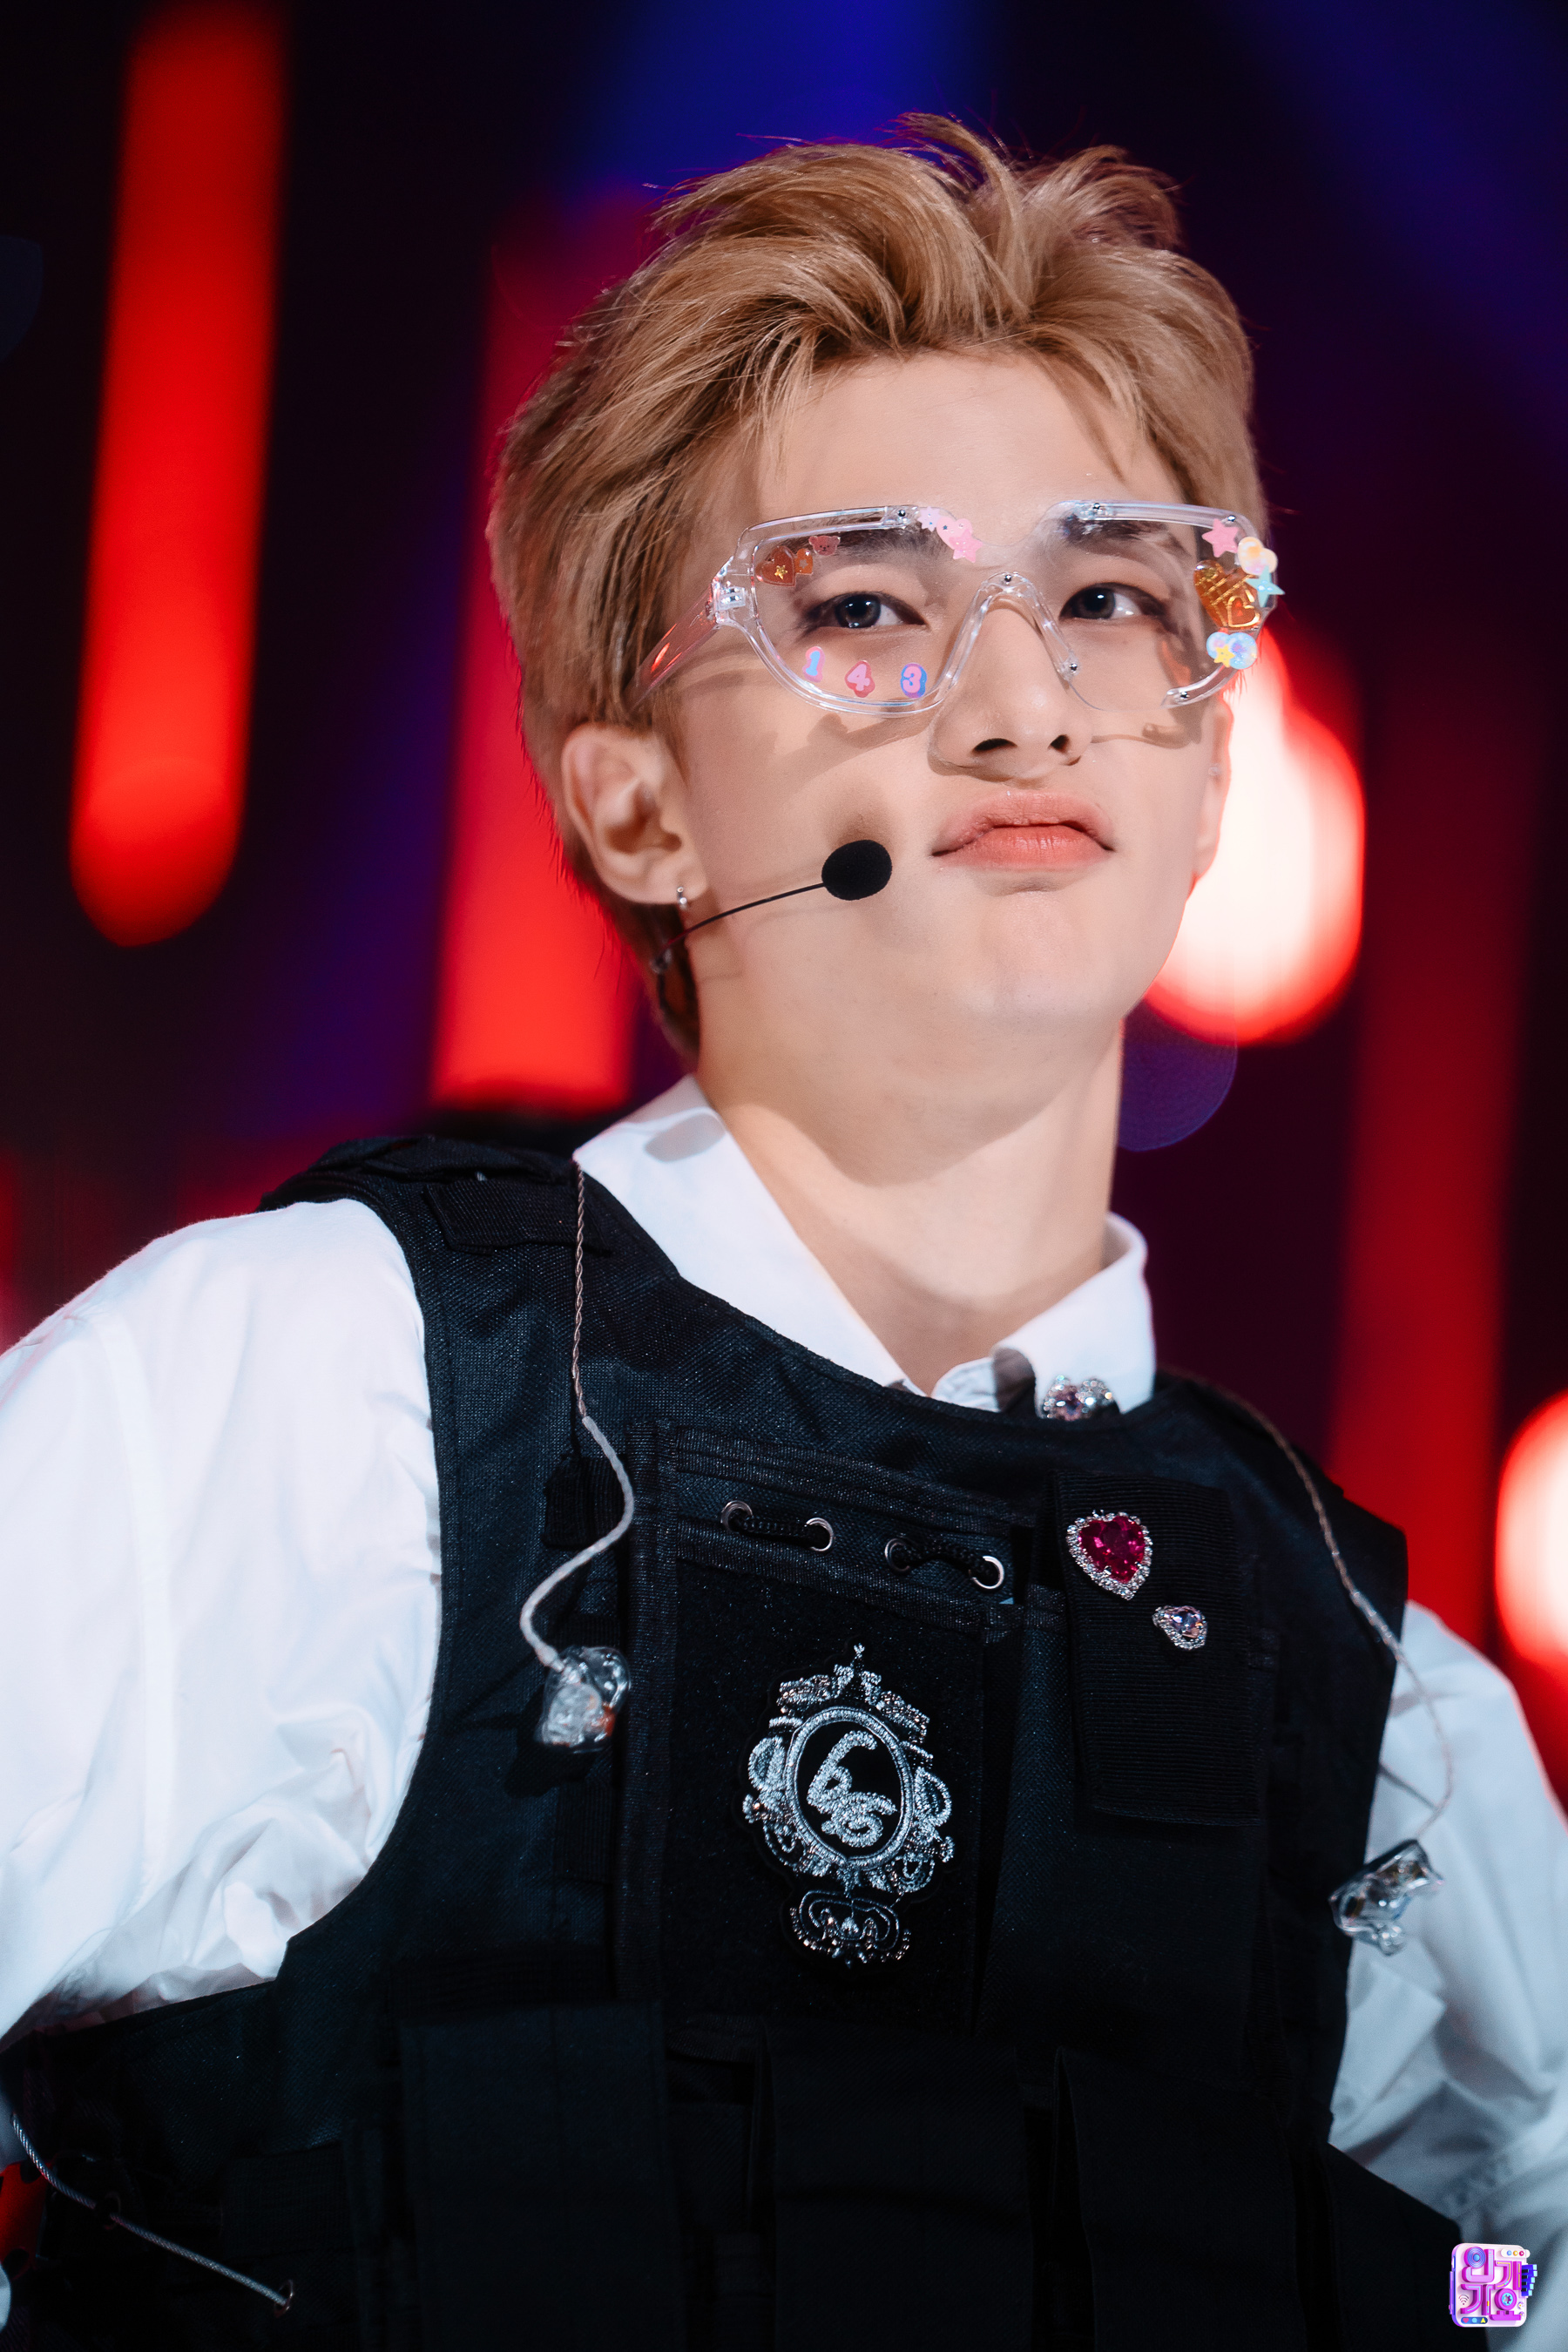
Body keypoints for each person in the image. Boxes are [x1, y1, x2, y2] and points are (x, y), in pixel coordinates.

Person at [1, 121, 1564, 2351]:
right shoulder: (311, 1406)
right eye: (865, 610)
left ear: (1212, 768)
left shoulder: (1382, 1703)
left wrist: (1437, 2308)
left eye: (1115, 599)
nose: (1024, 702)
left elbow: (1518, 2286)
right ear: (636, 799)